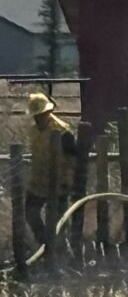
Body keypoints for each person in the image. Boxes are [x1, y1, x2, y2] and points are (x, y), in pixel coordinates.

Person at [24, 92, 78, 258]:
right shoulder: (34, 131)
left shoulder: (62, 132)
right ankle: (45, 246)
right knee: (30, 213)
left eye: (41, 114)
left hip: (59, 182)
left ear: (48, 112)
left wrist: (68, 180)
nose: (38, 118)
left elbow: (73, 159)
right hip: (38, 182)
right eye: (36, 115)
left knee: (58, 223)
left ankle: (62, 255)